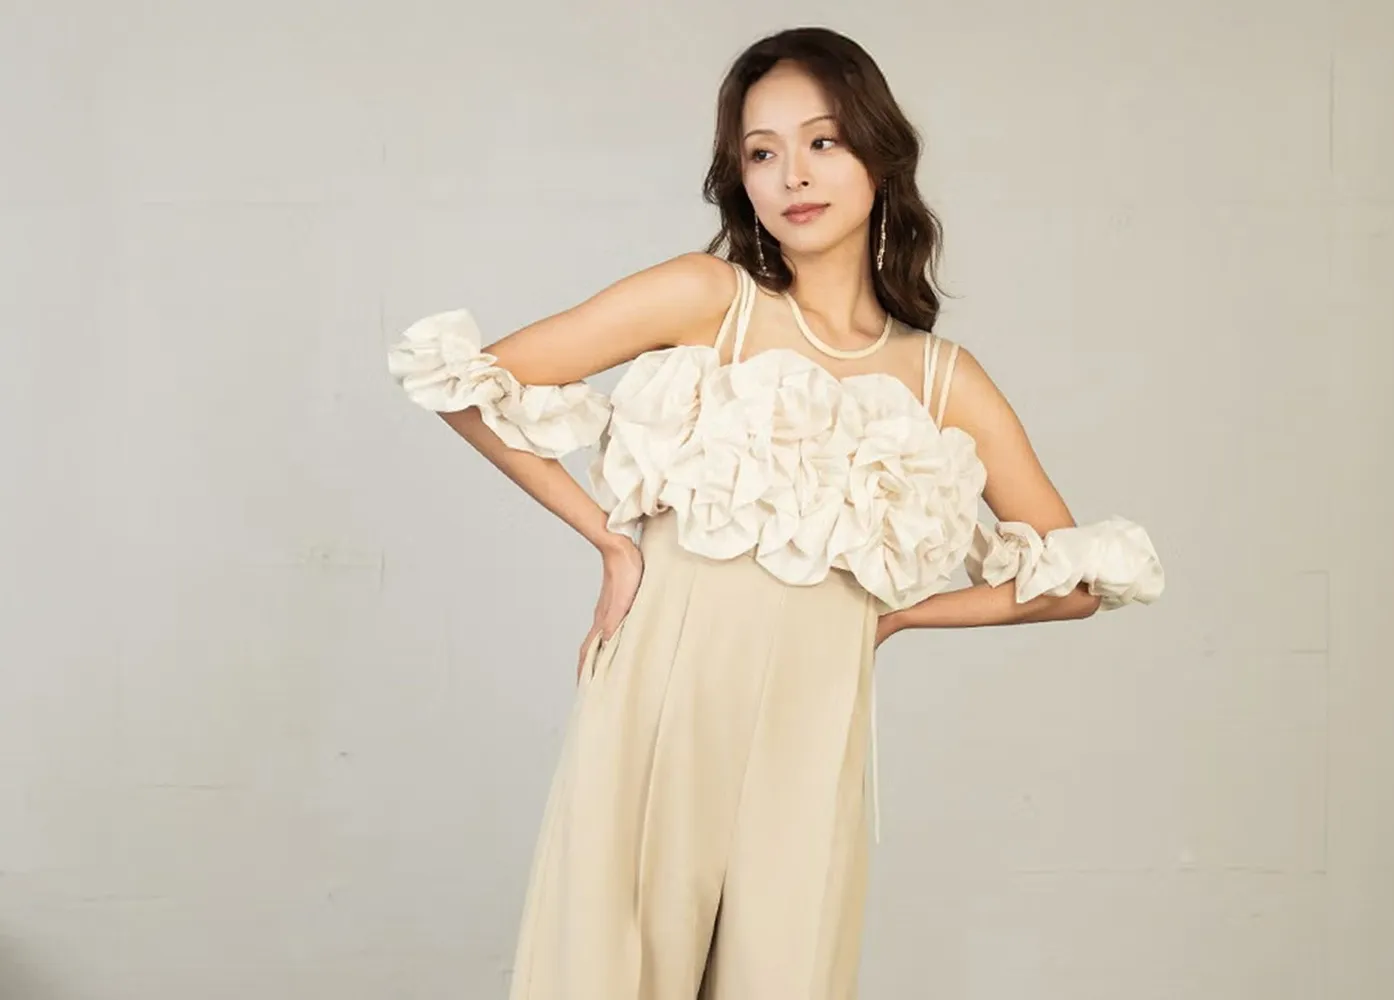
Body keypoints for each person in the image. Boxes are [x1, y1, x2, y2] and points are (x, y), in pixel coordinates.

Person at [387, 25, 1163, 1000]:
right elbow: (463, 380)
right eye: (762, 152)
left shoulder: (943, 380)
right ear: (741, 179)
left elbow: (1080, 581)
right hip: (661, 692)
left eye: (823, 141)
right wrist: (608, 541)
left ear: (880, 155)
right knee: (613, 971)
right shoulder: (707, 297)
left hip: (813, 718)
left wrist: (898, 617)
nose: (793, 173)